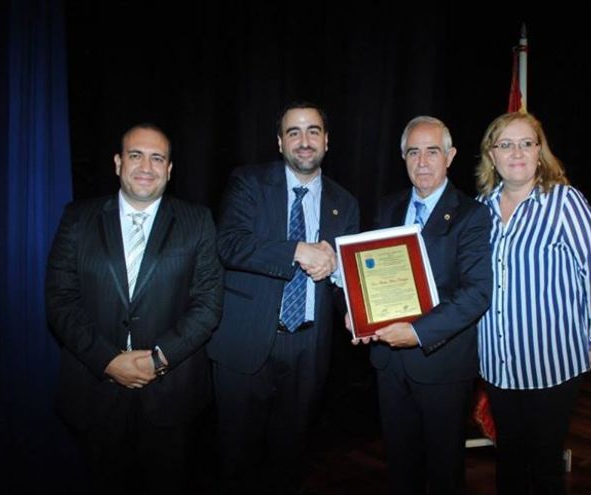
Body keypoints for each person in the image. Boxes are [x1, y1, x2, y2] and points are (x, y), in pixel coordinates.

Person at [45, 123, 223, 494]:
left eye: (157, 158)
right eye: (135, 155)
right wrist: (108, 360)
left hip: (172, 395)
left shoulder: (198, 221)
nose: (146, 166)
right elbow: (60, 300)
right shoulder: (77, 218)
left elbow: (207, 305)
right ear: (117, 162)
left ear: (170, 170)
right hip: (95, 392)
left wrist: (157, 361)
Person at [207, 102, 359, 494]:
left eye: (313, 131)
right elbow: (229, 244)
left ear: (327, 140)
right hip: (246, 345)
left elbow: (346, 277)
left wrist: (356, 312)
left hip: (309, 348)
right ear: (279, 142)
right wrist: (296, 250)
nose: (304, 141)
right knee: (236, 461)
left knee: (291, 460)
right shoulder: (249, 183)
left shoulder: (346, 202)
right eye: (294, 132)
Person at [475, 112, 591, 495]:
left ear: (540, 152)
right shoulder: (480, 208)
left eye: (526, 143)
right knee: (509, 462)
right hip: (496, 364)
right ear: (492, 154)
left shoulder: (565, 202)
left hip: (550, 365)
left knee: (545, 465)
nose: (516, 152)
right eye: (506, 144)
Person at [353, 116, 492, 494]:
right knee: (400, 466)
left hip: (442, 362)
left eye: (433, 151)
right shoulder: (387, 208)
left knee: (445, 471)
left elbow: (478, 293)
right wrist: (356, 309)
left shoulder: (472, 214)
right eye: (414, 151)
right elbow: (367, 273)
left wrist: (416, 333)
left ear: (450, 156)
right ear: (403, 157)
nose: (423, 161)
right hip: (389, 364)